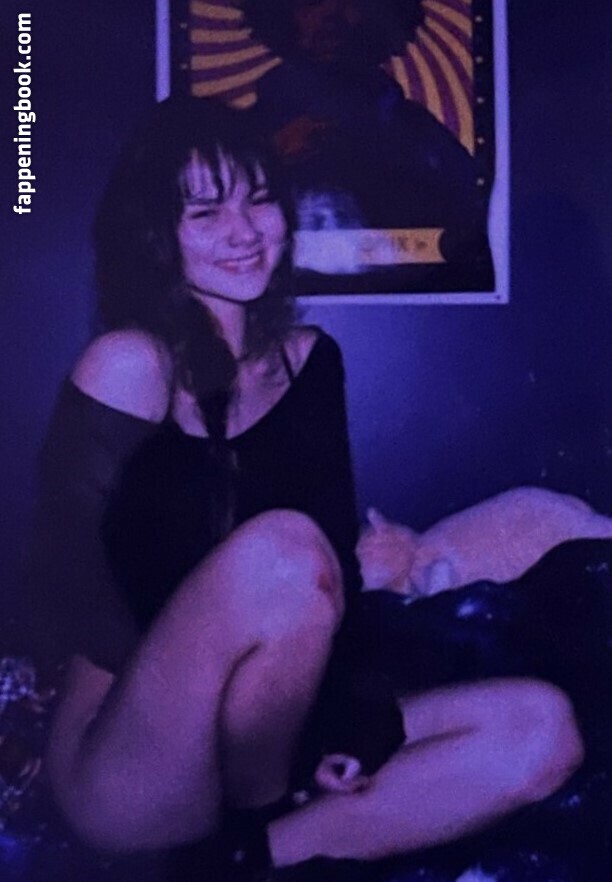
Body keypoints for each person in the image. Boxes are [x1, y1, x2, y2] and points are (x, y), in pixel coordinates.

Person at [22, 97, 582, 880]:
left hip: (270, 743)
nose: (244, 231)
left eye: (259, 200)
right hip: (127, 754)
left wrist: (340, 721)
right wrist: (237, 637)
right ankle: (268, 811)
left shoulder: (310, 360)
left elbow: (332, 583)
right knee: (283, 552)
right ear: (158, 233)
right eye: (206, 212)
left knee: (541, 728)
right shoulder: (131, 362)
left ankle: (250, 857)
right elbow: (67, 580)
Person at [244, 0, 494, 292]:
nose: (331, 14)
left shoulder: (422, 136)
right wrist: (269, 156)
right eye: (311, 1)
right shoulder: (245, 136)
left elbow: (470, 240)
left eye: (354, 1)